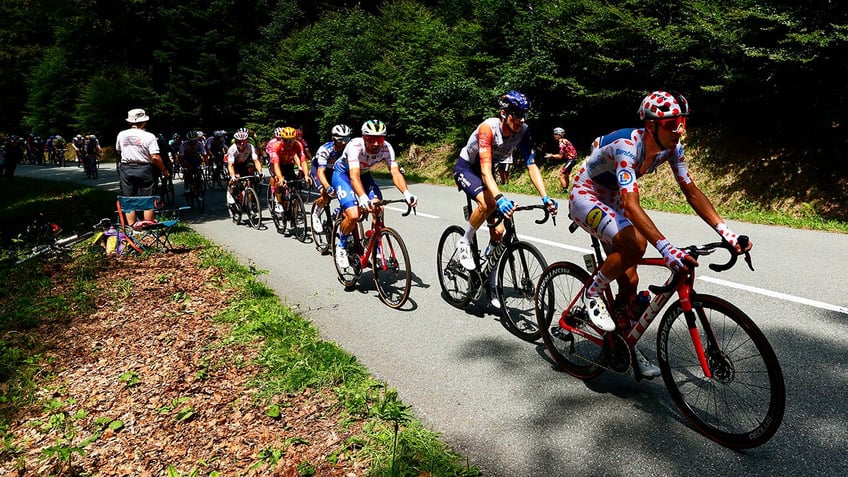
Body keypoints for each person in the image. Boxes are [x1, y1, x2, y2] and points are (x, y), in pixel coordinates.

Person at [568, 90, 752, 378]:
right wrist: (667, 249)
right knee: (635, 244)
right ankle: (592, 293)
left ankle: (623, 343)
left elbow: (691, 191)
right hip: (587, 195)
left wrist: (726, 232)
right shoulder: (627, 146)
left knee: (630, 280)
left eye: (683, 122)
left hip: (613, 196)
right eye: (671, 123)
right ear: (651, 125)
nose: (679, 129)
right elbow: (631, 205)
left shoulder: (672, 148)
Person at [453, 90, 558, 276]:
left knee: (499, 232)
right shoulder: (488, 129)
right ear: (504, 113)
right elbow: (485, 172)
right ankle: (465, 239)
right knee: (489, 203)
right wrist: (499, 198)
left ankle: (488, 275)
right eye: (517, 114)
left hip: (486, 171)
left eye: (524, 114)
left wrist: (545, 197)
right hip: (467, 168)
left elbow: (531, 165)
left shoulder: (523, 131)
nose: (522, 120)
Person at [332, 119, 417, 268]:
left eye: (380, 139)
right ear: (365, 138)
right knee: (353, 214)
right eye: (372, 139)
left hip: (364, 175)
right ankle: (341, 245)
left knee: (379, 208)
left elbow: (395, 173)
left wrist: (407, 193)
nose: (377, 143)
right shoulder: (354, 146)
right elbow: (353, 176)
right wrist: (363, 197)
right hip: (343, 174)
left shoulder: (387, 148)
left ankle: (375, 246)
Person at [115, 108, 170, 224]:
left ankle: (133, 229)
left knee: (128, 199)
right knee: (148, 199)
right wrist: (164, 171)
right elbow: (155, 157)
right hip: (145, 169)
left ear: (130, 122)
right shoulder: (149, 136)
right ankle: (147, 226)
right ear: (144, 122)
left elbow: (118, 151)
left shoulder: (121, 134)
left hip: (126, 168)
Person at [309, 124, 351, 233]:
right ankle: (316, 213)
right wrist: (327, 186)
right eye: (340, 139)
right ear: (333, 139)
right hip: (320, 170)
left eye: (346, 139)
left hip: (336, 171)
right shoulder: (325, 149)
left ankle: (338, 211)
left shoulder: (349, 148)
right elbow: (321, 172)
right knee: (326, 195)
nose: (344, 142)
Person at [267, 126, 310, 214]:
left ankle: (293, 205)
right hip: (277, 164)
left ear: (295, 139)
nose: (288, 143)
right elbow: (276, 164)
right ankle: (277, 201)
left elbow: (303, 160)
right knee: (278, 181)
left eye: (291, 140)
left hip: (288, 164)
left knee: (295, 182)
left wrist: (306, 175)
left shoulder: (298, 145)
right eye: (285, 140)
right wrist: (280, 178)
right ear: (281, 139)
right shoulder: (276, 146)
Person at [226, 127, 264, 207]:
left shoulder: (250, 146)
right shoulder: (232, 149)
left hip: (244, 163)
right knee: (235, 179)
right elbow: (231, 165)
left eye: (244, 141)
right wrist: (233, 176)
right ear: (236, 141)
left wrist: (260, 172)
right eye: (240, 142)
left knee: (249, 183)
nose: (242, 144)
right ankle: (230, 192)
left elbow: (256, 161)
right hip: (235, 165)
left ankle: (250, 206)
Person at [543, 127, 579, 193]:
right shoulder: (564, 140)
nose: (553, 135)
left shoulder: (562, 143)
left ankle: (564, 190)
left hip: (571, 159)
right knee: (566, 174)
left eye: (555, 134)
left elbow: (560, 156)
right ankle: (566, 190)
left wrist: (551, 155)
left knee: (561, 174)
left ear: (559, 135)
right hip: (572, 159)